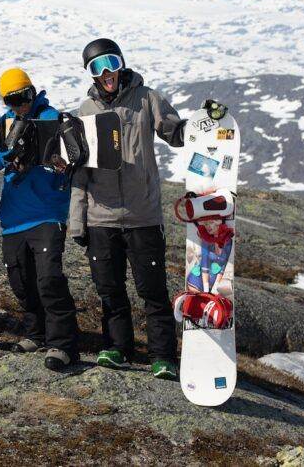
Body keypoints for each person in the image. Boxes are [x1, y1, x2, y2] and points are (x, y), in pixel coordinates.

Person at [69, 38, 226, 380]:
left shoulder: (146, 99)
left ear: (122, 63)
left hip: (143, 216)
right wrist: (77, 223)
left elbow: (175, 133)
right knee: (109, 289)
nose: (107, 72)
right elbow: (79, 171)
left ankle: (163, 357)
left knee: (152, 291)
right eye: (98, 67)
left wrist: (203, 124)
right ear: (91, 74)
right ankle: (117, 348)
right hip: (101, 218)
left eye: (111, 63)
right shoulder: (86, 112)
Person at [0, 68, 79, 372]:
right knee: (21, 282)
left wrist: (62, 163)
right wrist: (7, 156)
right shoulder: (5, 123)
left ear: (33, 91)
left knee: (48, 279)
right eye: (11, 100)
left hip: (48, 213)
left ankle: (62, 344)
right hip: (14, 217)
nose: (19, 104)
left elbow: (76, 156)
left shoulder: (53, 118)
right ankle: (36, 333)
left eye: (23, 97)